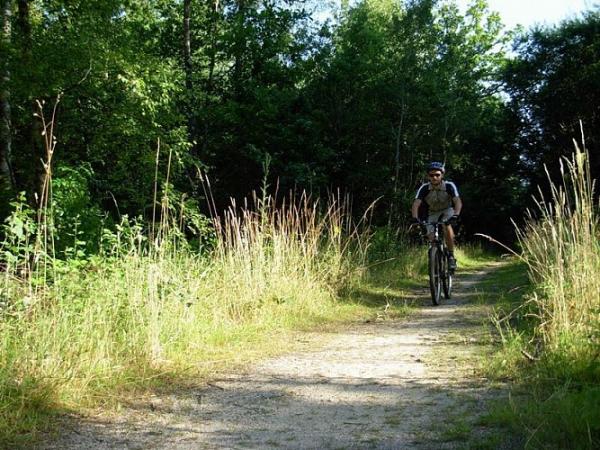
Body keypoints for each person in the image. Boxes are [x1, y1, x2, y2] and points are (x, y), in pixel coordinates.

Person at [411, 161, 462, 271]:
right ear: (428, 176)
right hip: (432, 212)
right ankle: (436, 261)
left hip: (447, 210)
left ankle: (451, 256)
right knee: (432, 239)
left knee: (446, 224)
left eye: (437, 175)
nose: (434, 177)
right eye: (431, 175)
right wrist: (415, 218)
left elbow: (457, 201)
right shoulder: (424, 188)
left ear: (442, 175)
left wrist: (456, 215)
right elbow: (416, 204)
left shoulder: (449, 186)